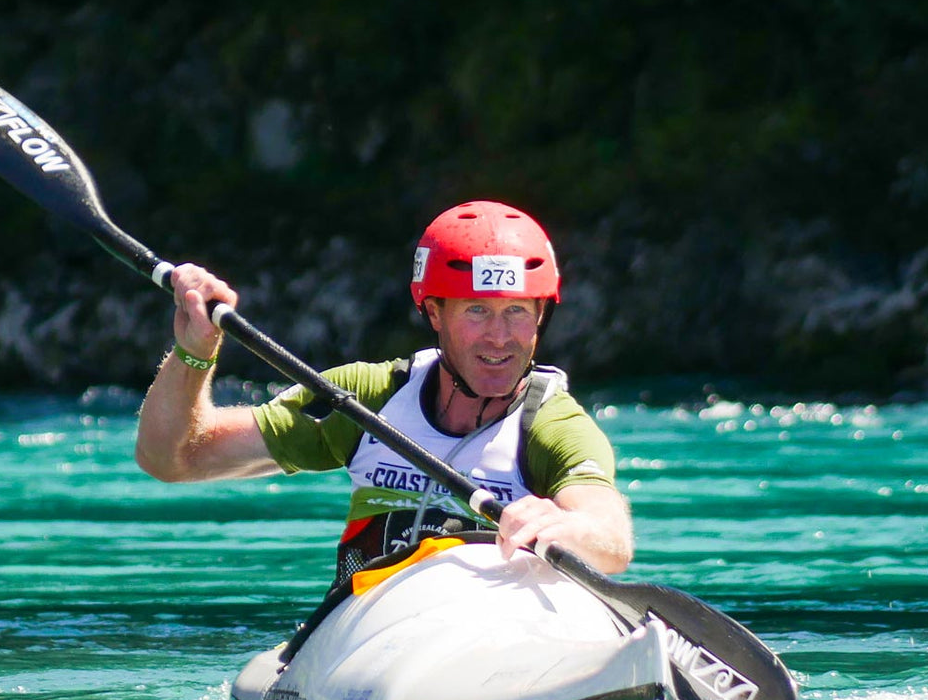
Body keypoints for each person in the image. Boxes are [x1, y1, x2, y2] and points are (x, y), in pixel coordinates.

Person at [135, 200, 633, 584]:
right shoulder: (366, 398)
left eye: (517, 312)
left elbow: (611, 538)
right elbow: (174, 459)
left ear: (541, 315)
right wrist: (195, 352)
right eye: (476, 311)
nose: (499, 338)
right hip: (371, 636)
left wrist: (567, 528)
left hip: (492, 647)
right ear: (434, 313)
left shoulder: (551, 425)